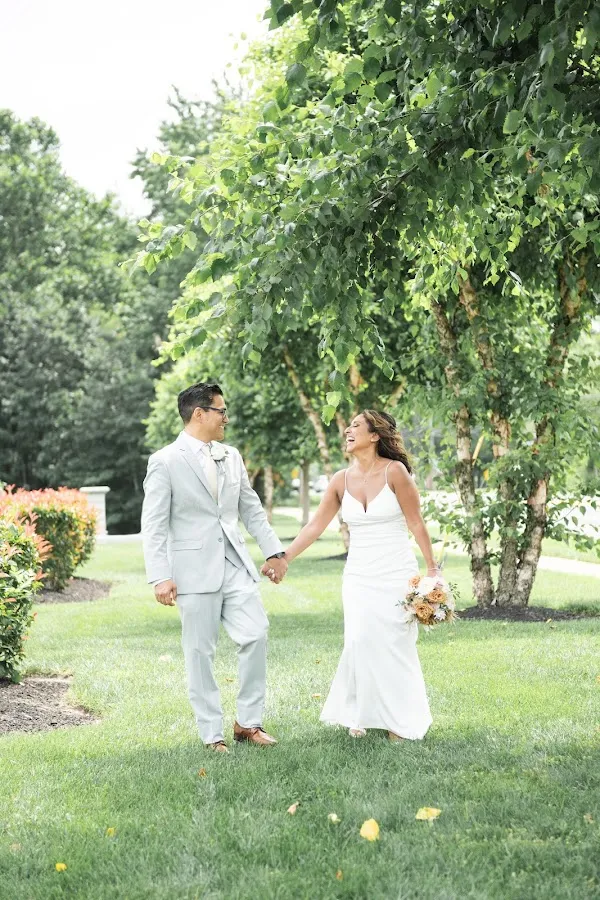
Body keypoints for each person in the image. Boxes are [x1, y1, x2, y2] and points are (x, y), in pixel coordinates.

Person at [141, 382, 288, 753]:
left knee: (256, 633)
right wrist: (160, 576)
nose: (226, 418)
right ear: (199, 414)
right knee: (200, 653)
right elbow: (153, 524)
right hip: (192, 571)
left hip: (235, 564)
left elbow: (250, 507)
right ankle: (212, 734)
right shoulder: (165, 461)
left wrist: (274, 551)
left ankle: (248, 723)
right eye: (221, 411)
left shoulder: (231, 456)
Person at [273, 410, 436, 741]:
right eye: (348, 425)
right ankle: (361, 711)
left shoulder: (395, 472)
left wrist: (432, 570)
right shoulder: (339, 480)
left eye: (356, 426)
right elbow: (316, 525)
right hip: (359, 576)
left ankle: (399, 723)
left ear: (375, 435)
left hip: (396, 573)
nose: (348, 430)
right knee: (359, 642)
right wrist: (285, 557)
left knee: (394, 644)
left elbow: (416, 522)